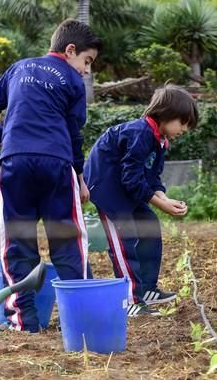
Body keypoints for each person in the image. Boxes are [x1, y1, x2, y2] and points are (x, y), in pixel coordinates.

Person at [0, 19, 101, 333]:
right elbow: (74, 136)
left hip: (15, 163)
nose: (86, 70)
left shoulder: (18, 68)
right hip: (56, 164)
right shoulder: (72, 81)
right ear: (70, 50)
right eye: (87, 61)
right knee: (67, 241)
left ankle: (24, 321)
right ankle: (79, 320)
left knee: (18, 243)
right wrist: (80, 177)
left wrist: (0, 136)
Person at [83, 86, 198, 316]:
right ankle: (130, 300)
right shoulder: (140, 133)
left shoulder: (159, 140)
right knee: (124, 241)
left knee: (149, 227)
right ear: (165, 114)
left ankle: (146, 289)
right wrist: (160, 203)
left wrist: (165, 198)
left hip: (126, 192)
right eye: (182, 122)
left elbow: (152, 176)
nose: (184, 129)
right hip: (108, 192)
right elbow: (131, 177)